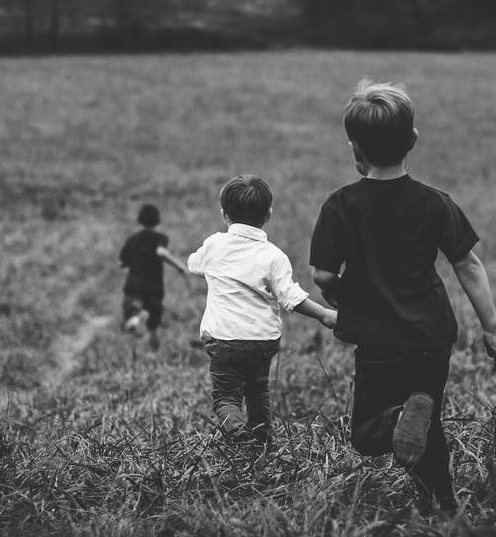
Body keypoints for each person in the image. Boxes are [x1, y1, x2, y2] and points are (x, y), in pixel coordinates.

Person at [309, 80, 496, 513]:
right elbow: (468, 265)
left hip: (379, 341)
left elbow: (323, 273)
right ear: (412, 141)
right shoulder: (435, 203)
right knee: (426, 423)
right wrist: (491, 329)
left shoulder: (342, 205)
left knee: (367, 432)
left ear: (354, 147)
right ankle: (442, 505)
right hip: (432, 336)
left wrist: (337, 293)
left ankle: (399, 421)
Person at [188, 175, 337, 443]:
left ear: (224, 215)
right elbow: (290, 296)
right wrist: (324, 314)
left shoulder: (214, 245)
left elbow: (194, 264)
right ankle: (262, 441)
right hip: (262, 341)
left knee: (226, 397)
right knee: (258, 391)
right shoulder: (274, 256)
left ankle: (236, 431)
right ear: (268, 214)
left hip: (224, 340)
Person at [119, 203, 187, 351]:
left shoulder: (132, 240)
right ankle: (153, 351)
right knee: (154, 325)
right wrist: (179, 266)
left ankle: (136, 318)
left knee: (130, 314)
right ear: (157, 220)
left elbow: (123, 262)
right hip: (154, 288)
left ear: (140, 220)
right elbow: (161, 252)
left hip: (134, 286)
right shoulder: (160, 237)